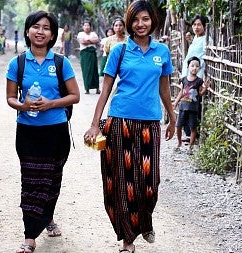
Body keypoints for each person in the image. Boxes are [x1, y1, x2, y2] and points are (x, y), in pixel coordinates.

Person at [84, 1, 176, 252]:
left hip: (150, 123)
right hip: (120, 121)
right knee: (123, 181)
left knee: (150, 180)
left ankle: (145, 221)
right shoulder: (120, 51)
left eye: (145, 19)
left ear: (152, 21)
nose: (140, 24)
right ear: (129, 23)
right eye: (135, 20)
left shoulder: (162, 51)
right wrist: (95, 124)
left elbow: (164, 87)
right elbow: (105, 90)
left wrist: (172, 117)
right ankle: (128, 239)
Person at [5, 10, 80, 253]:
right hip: (28, 132)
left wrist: (51, 104)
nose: (40, 31)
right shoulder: (17, 63)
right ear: (27, 31)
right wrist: (23, 105)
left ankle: (47, 216)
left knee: (51, 181)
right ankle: (29, 237)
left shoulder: (61, 63)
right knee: (31, 182)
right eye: (36, 26)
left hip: (56, 132)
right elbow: (9, 97)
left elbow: (74, 96)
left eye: (46, 28)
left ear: (52, 35)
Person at [181, 15, 212, 138]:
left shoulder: (207, 39)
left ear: (204, 26)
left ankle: (192, 133)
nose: (196, 27)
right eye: (194, 25)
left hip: (196, 77)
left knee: (194, 103)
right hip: (188, 76)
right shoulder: (196, 39)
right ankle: (188, 132)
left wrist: (200, 76)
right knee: (186, 102)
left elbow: (204, 59)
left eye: (199, 24)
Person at [173, 56, 209, 154]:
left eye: (197, 66)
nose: (194, 68)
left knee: (193, 127)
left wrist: (205, 88)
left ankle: (190, 147)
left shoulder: (199, 81)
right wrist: (175, 103)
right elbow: (181, 92)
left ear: (199, 68)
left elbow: (200, 94)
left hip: (193, 108)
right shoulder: (184, 79)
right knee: (179, 126)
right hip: (182, 107)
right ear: (188, 67)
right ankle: (179, 144)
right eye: (192, 66)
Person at [77, 20, 100, 94]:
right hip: (85, 54)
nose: (87, 27)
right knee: (86, 70)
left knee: (94, 70)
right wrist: (91, 41)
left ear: (90, 27)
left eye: (88, 25)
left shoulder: (93, 33)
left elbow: (97, 41)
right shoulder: (80, 34)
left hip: (92, 53)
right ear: (83, 27)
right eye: (85, 25)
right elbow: (82, 42)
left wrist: (88, 40)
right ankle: (87, 89)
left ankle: (97, 88)